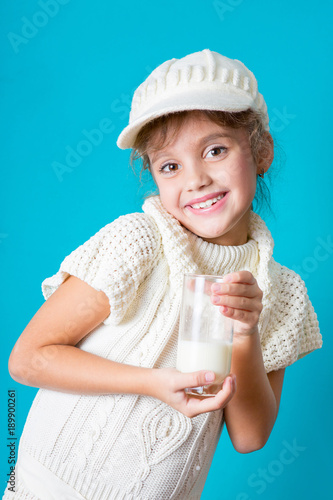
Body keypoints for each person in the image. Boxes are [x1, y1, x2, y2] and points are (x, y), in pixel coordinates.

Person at [4, 49, 322, 500]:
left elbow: (249, 437)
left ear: (261, 151)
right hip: (43, 487)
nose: (195, 180)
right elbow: (28, 359)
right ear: (153, 175)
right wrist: (152, 383)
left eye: (215, 150)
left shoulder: (281, 292)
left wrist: (245, 334)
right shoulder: (140, 242)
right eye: (170, 165)